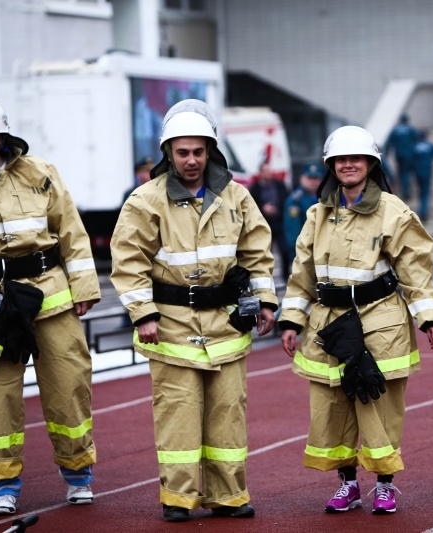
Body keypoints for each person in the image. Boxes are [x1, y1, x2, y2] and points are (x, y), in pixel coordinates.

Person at [110, 99, 278, 522]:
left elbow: (257, 253)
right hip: (171, 327)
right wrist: (142, 314)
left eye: (198, 152)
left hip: (225, 325)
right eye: (182, 152)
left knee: (228, 415)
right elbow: (128, 262)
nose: (191, 160)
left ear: (210, 151)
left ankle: (229, 495)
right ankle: (178, 498)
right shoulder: (144, 201)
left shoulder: (236, 197)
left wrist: (266, 301)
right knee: (178, 418)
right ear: (168, 153)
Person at [278, 125, 433, 515]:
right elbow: (302, 272)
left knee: (379, 407)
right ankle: (348, 485)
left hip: (379, 321)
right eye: (340, 159)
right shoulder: (317, 214)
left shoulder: (394, 211)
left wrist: (430, 316)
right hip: (327, 323)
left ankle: (385, 485)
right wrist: (291, 321)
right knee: (332, 407)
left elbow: (415, 269)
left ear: (371, 163)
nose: (348, 164)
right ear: (331, 165)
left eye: (356, 158)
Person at [0, 96, 101, 515]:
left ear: (1, 136)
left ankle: (78, 474)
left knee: (69, 386)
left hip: (50, 297)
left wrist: (84, 287)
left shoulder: (40, 173)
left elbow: (71, 232)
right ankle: (2, 484)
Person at [250, 161, 289, 283]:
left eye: (270, 171)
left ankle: (285, 275)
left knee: (285, 250)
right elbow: (252, 206)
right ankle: (267, 278)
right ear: (260, 173)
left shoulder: (279, 185)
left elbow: (287, 201)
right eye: (266, 171)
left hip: (279, 222)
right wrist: (264, 208)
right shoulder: (254, 188)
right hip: (264, 224)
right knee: (265, 253)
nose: (268, 173)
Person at [283, 161, 322, 266]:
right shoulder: (295, 200)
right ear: (302, 178)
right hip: (303, 252)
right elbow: (292, 230)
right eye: (310, 178)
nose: (313, 182)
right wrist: (298, 253)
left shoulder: (324, 197)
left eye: (316, 178)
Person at [411, 130, 433, 221]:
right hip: (427, 172)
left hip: (418, 172)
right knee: (425, 193)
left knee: (421, 192)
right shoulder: (430, 146)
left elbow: (410, 160)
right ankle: (423, 213)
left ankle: (421, 209)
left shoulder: (414, 147)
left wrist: (412, 171)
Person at [384, 113, 418, 200]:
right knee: (406, 172)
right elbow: (417, 142)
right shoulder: (411, 129)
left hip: (399, 154)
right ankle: (406, 192)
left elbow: (389, 143)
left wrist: (386, 154)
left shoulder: (395, 130)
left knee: (402, 172)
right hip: (409, 154)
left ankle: (403, 189)